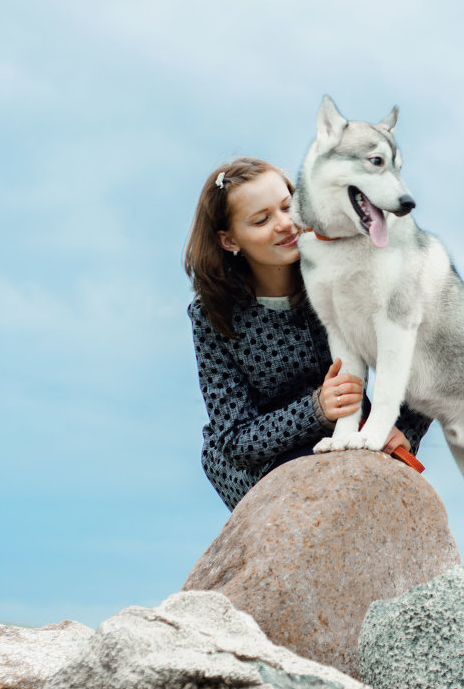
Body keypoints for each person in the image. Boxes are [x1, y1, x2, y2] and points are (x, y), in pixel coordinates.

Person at [183, 156, 432, 511]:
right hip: (260, 466)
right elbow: (234, 441)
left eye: (288, 206)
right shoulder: (211, 315)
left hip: (348, 435)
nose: (286, 224)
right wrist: (317, 408)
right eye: (261, 219)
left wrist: (403, 427)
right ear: (229, 240)